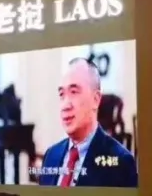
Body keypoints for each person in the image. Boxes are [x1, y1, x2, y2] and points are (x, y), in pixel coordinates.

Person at [38, 57, 138, 188]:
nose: (65, 105)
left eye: (74, 92)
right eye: (62, 94)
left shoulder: (121, 162)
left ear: (95, 99)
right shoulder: (51, 156)